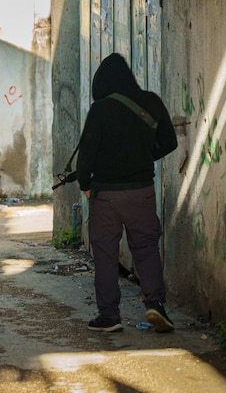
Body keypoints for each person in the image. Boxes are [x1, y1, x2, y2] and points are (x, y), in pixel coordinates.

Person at [76, 53, 177, 333]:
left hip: (106, 195)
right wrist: (145, 156)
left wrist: (85, 183)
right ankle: (155, 304)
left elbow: (86, 154)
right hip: (142, 192)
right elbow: (169, 142)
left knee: (106, 254)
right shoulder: (151, 102)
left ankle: (109, 316)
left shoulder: (100, 110)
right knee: (145, 249)